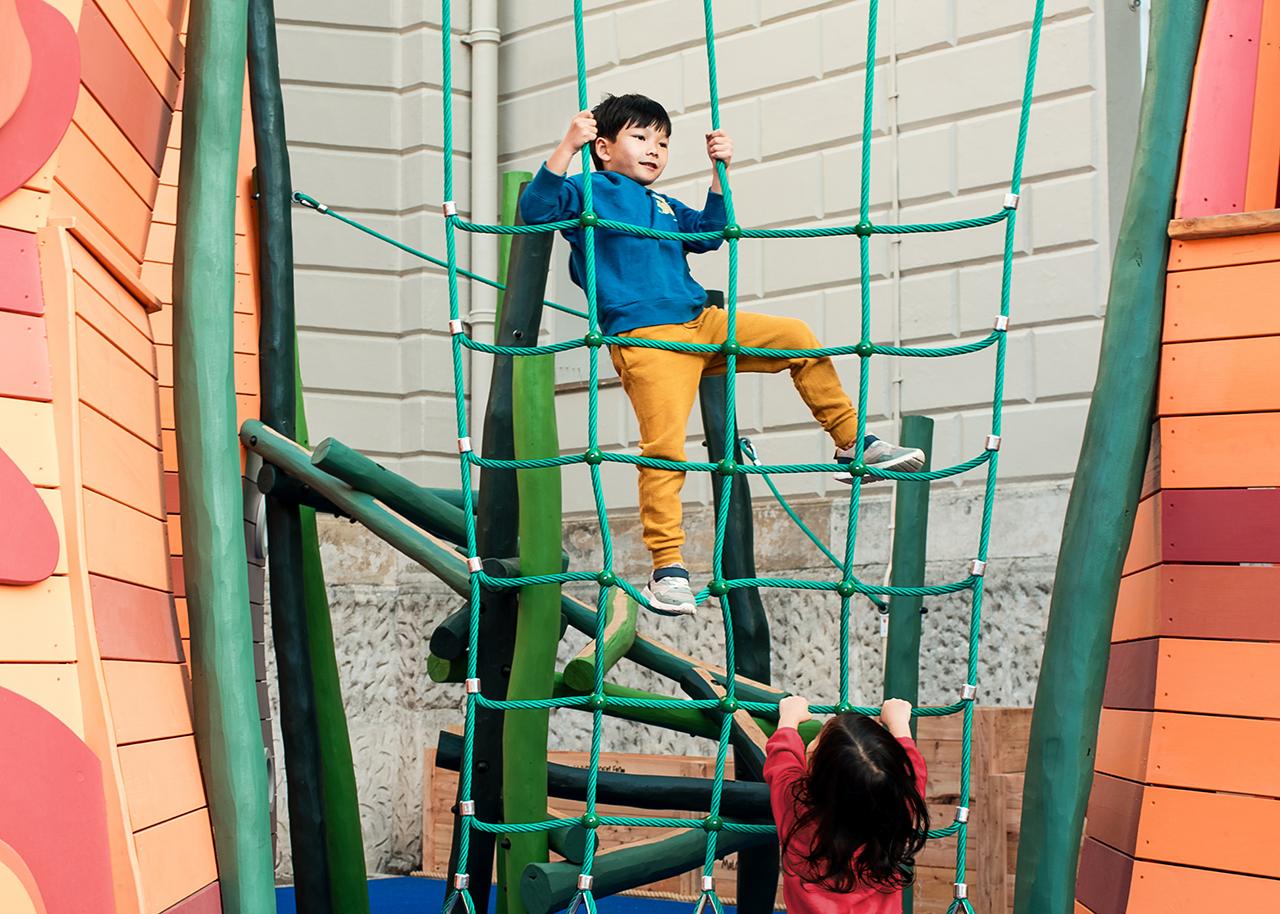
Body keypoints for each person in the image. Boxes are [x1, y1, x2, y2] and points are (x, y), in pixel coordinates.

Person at [519, 94, 925, 616]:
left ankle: (852, 443)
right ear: (602, 147)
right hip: (649, 340)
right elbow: (536, 210)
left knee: (798, 336)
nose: (654, 150)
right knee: (665, 449)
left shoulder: (662, 205)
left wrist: (718, 173)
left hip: (702, 323)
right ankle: (667, 569)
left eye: (663, 143)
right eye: (640, 138)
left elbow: (711, 235)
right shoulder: (587, 191)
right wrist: (565, 147)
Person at [764, 696, 929, 912]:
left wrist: (789, 718)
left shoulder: (796, 807)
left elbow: (782, 761)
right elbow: (912, 774)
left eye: (815, 741)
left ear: (816, 768)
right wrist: (899, 723)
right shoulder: (897, 808)